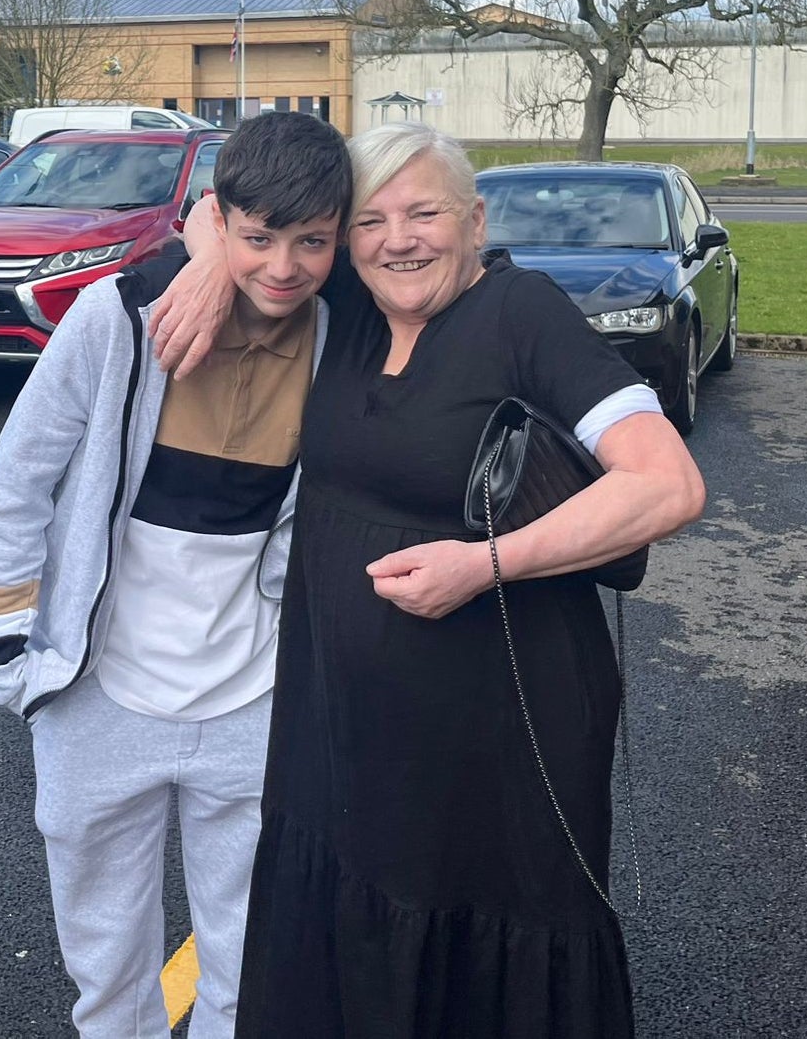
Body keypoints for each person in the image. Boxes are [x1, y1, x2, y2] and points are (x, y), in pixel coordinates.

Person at [151, 121, 706, 1037]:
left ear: (474, 219)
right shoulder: (359, 308)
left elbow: (666, 484)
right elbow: (244, 219)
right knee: (349, 920)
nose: (396, 238)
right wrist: (210, 260)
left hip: (501, 731)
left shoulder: (520, 314)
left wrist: (484, 565)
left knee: (478, 935)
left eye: (424, 213)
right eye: (369, 220)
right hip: (336, 724)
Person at [0, 110, 353, 1039]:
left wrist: (220, 255)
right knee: (106, 971)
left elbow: (459, 270)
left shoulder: (346, 337)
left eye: (313, 242)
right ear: (217, 216)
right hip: (99, 702)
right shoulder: (118, 317)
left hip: (251, 706)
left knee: (248, 961)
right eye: (257, 238)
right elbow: (19, 480)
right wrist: (8, 652)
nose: (284, 267)